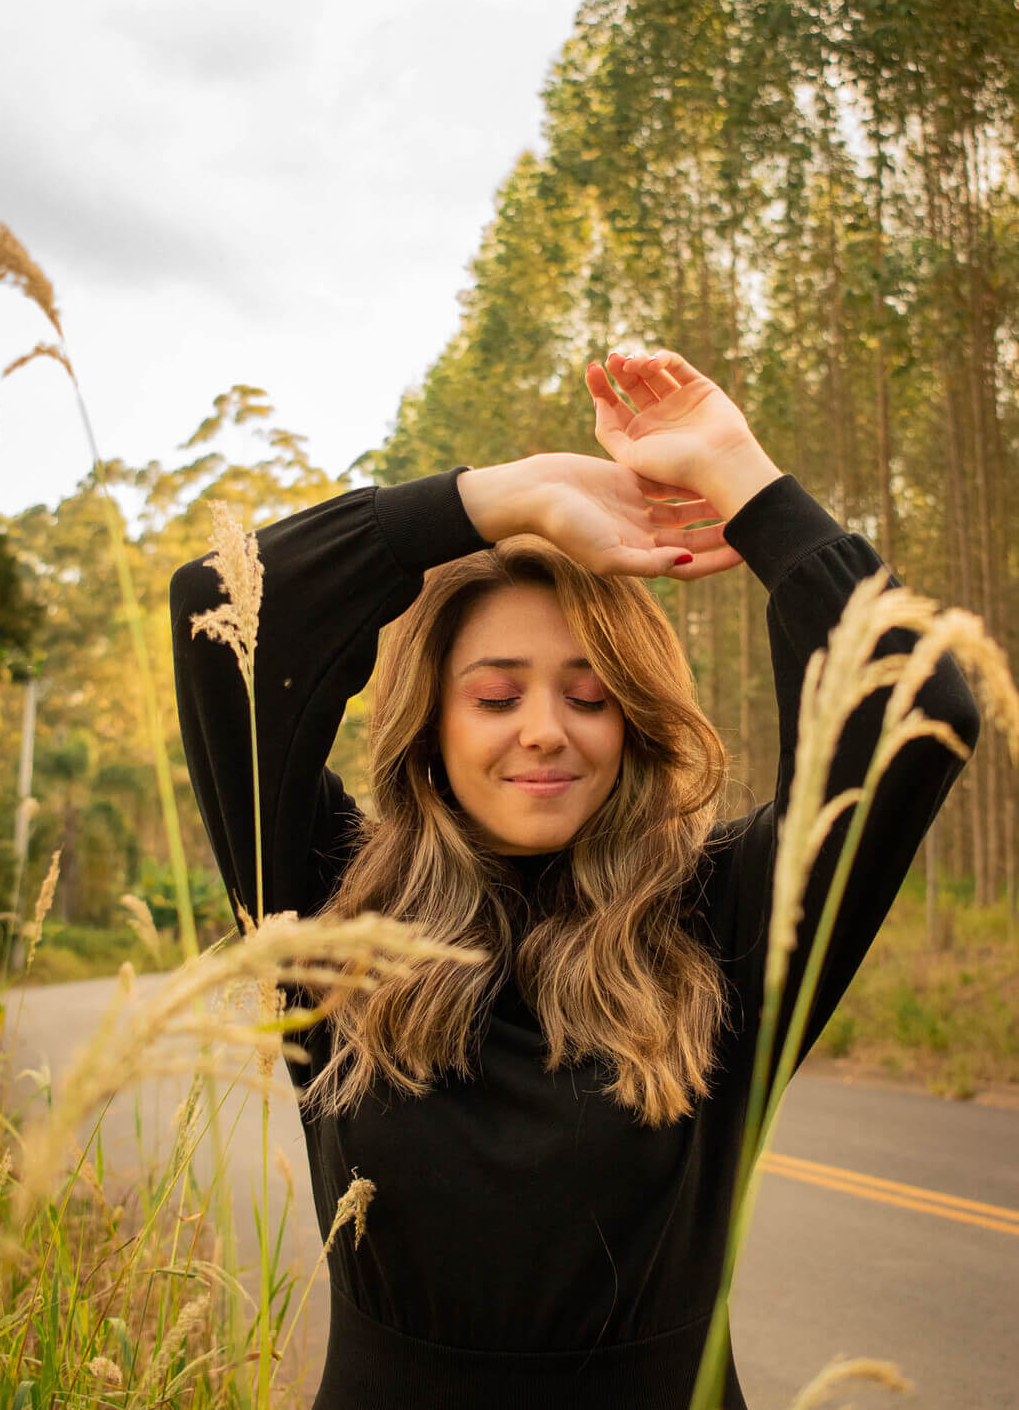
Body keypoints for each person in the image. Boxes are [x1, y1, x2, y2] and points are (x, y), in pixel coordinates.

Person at [170, 348, 980, 1410]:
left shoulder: (721, 919)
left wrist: (739, 476)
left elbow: (916, 714)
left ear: (635, 723)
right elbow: (220, 607)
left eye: (590, 697)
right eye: (496, 696)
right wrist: (501, 500)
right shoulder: (333, 909)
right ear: (433, 726)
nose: (545, 731)